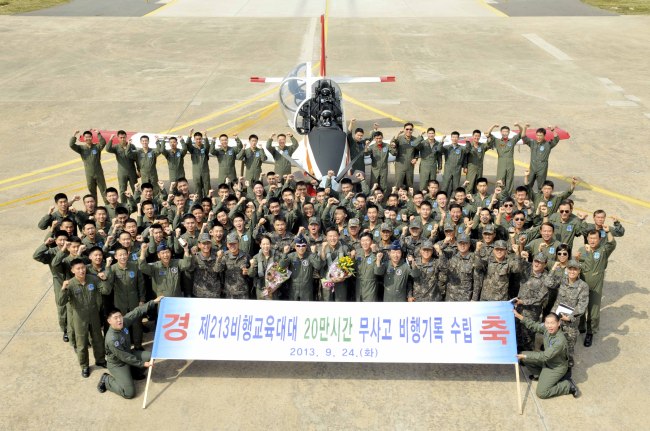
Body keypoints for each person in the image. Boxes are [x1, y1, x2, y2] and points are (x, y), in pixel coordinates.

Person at [97, 296, 163, 398]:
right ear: (109, 321)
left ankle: (134, 373)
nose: (119, 320)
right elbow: (124, 357)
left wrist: (153, 301)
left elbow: (136, 312)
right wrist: (142, 364)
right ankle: (106, 380)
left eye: (120, 316)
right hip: (118, 364)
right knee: (129, 393)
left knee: (151, 356)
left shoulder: (123, 322)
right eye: (115, 318)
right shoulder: (112, 339)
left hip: (129, 354)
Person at [514, 310, 581, 399]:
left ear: (558, 323)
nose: (549, 326)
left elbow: (544, 356)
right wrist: (519, 316)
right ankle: (539, 376)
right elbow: (534, 325)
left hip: (555, 367)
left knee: (541, 393)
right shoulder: (547, 329)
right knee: (523, 356)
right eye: (547, 323)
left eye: (552, 323)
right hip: (547, 361)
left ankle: (567, 386)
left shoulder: (559, 341)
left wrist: (526, 356)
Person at [58, 258, 107, 378]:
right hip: (79, 317)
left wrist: (103, 280)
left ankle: (100, 360)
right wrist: (63, 289)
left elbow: (105, 290)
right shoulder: (70, 284)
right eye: (78, 269)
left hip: (94, 314)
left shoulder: (93, 279)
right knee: (81, 343)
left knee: (98, 339)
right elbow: (61, 302)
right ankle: (84, 366)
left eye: (83, 268)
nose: (81, 271)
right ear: (73, 270)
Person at [577, 228, 617, 347]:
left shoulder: (603, 250)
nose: (592, 240)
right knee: (582, 308)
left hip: (596, 285)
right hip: (583, 284)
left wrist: (609, 231)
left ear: (599, 239)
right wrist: (576, 258)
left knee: (593, 312)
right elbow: (578, 265)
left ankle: (590, 332)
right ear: (587, 239)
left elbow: (612, 243)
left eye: (595, 238)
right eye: (590, 238)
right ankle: (582, 326)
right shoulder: (582, 250)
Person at [103, 247, 146, 350]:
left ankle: (138, 345)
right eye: (120, 255)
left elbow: (141, 284)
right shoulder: (113, 269)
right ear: (116, 257)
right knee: (121, 324)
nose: (122, 257)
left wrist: (142, 300)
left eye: (124, 254)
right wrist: (107, 267)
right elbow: (107, 283)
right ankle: (124, 346)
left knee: (137, 324)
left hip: (134, 300)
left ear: (128, 255)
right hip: (120, 302)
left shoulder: (135, 267)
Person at [550, 259, 589, 367]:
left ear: (579, 271)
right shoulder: (562, 280)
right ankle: (552, 354)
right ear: (566, 270)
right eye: (570, 269)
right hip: (556, 315)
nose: (572, 271)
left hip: (570, 319)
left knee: (570, 339)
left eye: (575, 269)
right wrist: (553, 269)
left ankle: (568, 356)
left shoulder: (583, 286)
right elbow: (548, 283)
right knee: (553, 335)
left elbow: (582, 305)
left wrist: (570, 317)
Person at [69, 129, 108, 203]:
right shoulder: (81, 148)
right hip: (89, 174)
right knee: (92, 192)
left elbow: (103, 143)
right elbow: (71, 145)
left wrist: (99, 134)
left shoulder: (96, 147)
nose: (88, 138)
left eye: (89, 137)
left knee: (104, 190)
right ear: (83, 138)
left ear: (92, 137)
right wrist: (74, 135)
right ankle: (94, 209)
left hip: (99, 173)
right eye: (86, 137)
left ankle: (108, 206)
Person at [486, 123, 524, 195]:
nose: (505, 133)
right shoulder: (497, 141)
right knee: (500, 179)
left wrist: (518, 125)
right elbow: (488, 134)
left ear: (509, 132)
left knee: (510, 179)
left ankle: (508, 196)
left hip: (510, 162)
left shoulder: (512, 140)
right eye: (503, 131)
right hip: (501, 162)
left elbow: (521, 132)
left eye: (506, 131)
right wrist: (493, 126)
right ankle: (498, 195)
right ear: (501, 132)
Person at [214, 232, 251, 299]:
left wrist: (247, 272)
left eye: (234, 243)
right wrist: (218, 258)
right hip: (229, 293)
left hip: (243, 292)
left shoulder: (246, 256)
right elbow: (217, 270)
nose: (232, 246)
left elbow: (252, 273)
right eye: (230, 244)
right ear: (227, 245)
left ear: (238, 243)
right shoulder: (224, 256)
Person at [522, 126, 560, 192]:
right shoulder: (532, 142)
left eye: (540, 135)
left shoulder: (548, 144)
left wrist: (553, 130)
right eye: (537, 135)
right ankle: (527, 197)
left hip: (542, 167)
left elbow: (556, 139)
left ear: (544, 136)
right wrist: (525, 128)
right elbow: (523, 137)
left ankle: (540, 198)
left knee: (541, 185)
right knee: (528, 183)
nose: (538, 137)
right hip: (533, 166)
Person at [106, 130, 139, 200]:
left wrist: (139, 170)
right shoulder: (116, 147)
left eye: (124, 137)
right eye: (121, 137)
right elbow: (108, 149)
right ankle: (124, 205)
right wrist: (111, 139)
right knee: (122, 190)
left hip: (132, 171)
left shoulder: (131, 146)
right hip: (122, 172)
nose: (122, 139)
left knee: (135, 188)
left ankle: (137, 203)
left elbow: (137, 159)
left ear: (126, 137)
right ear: (118, 138)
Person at [391, 123, 421, 188]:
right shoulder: (399, 139)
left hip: (410, 165)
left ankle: (409, 197)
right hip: (400, 165)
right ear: (404, 130)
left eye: (410, 129)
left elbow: (417, 151)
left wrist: (416, 158)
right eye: (407, 129)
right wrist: (397, 136)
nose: (409, 131)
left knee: (409, 184)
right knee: (398, 183)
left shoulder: (415, 139)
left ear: (412, 130)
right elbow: (393, 148)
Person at [440, 131, 469, 196]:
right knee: (445, 185)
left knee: (455, 186)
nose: (454, 139)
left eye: (456, 137)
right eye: (453, 137)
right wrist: (442, 141)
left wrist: (467, 141)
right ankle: (442, 198)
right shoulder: (447, 147)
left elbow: (468, 150)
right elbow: (439, 149)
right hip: (448, 169)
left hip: (457, 169)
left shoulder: (461, 148)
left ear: (458, 138)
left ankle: (453, 199)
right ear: (451, 138)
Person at [186, 130, 212, 198]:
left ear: (202, 139)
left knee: (207, 187)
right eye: (197, 139)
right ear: (194, 139)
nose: (198, 140)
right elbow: (188, 144)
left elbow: (208, 146)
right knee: (197, 188)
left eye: (200, 139)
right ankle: (198, 203)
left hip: (205, 172)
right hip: (196, 172)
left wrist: (206, 136)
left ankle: (208, 202)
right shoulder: (192, 148)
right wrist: (190, 134)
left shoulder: (204, 147)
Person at [463, 129, 489, 194]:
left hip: (479, 168)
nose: (476, 137)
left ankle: (476, 200)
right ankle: (468, 200)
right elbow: (465, 156)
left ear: (480, 137)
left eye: (478, 136)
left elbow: (489, 144)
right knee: (469, 185)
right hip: (471, 167)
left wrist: (488, 136)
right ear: (472, 136)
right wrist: (465, 167)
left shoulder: (482, 146)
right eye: (475, 136)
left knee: (478, 185)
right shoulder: (469, 145)